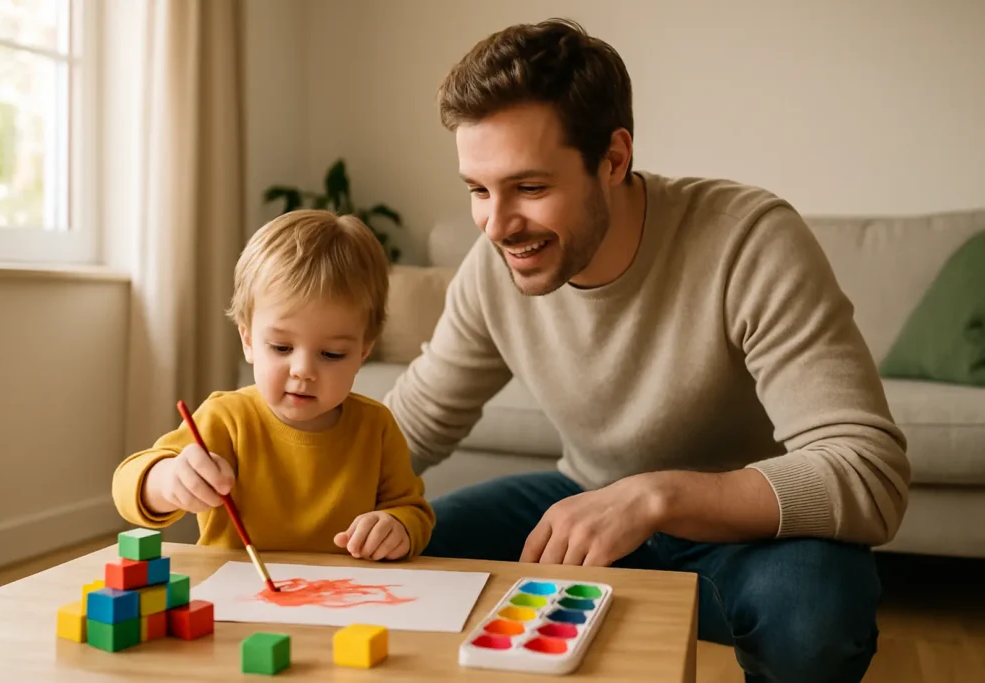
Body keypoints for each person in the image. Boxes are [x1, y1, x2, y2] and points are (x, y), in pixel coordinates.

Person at [383, 18, 909, 682]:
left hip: (747, 530)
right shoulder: (495, 268)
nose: (496, 224)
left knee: (816, 619)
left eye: (530, 188)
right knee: (411, 544)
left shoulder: (747, 241)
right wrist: (263, 454)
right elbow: (405, 427)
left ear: (614, 158)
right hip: (586, 497)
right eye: (478, 190)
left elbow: (871, 472)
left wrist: (652, 496)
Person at [113, 210, 434, 561]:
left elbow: (413, 510)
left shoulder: (377, 427)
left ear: (363, 351)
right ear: (248, 341)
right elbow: (127, 486)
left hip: (344, 601)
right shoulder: (226, 418)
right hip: (234, 596)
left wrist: (396, 526)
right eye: (281, 348)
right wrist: (168, 479)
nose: (303, 370)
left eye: (331, 354)